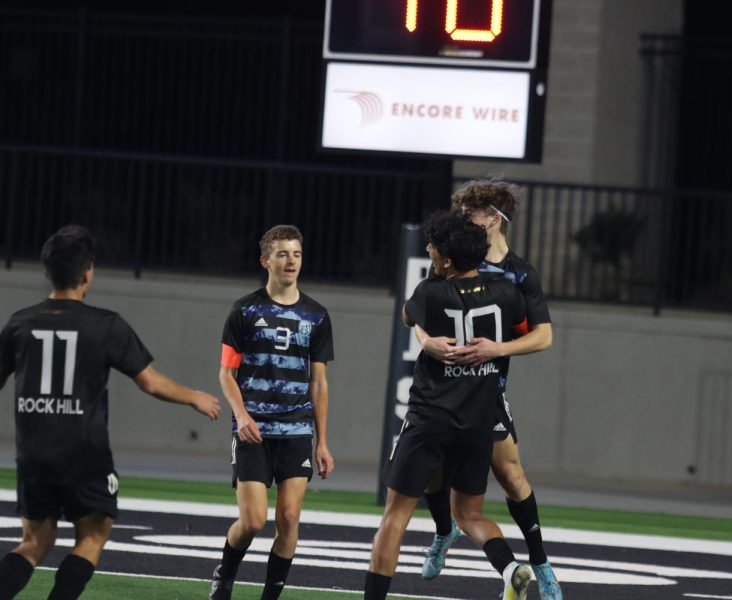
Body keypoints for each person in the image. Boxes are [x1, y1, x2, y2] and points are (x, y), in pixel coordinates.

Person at [0, 225, 221, 600]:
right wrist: (194, 396)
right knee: (92, 535)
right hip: (84, 454)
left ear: (46, 272)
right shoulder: (105, 325)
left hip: (33, 454)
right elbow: (149, 382)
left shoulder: (20, 323)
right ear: (88, 273)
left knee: (34, 542)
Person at [365, 211, 533, 600]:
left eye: (434, 248)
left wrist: (425, 338)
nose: (428, 250)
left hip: (429, 419)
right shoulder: (507, 293)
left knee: (394, 519)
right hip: (477, 424)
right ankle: (510, 567)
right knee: (470, 514)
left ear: (446, 260)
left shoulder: (429, 293)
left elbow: (409, 315)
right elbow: (525, 328)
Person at [416, 180, 563, 599]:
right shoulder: (450, 259)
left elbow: (544, 337)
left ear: (494, 220)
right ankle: (444, 532)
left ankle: (541, 565)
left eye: (471, 215)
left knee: (512, 477)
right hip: (440, 391)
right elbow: (423, 309)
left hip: (486, 394)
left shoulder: (519, 274)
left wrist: (498, 348)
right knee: (430, 471)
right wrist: (427, 341)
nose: (463, 221)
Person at [208, 224, 334, 600]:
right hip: (253, 431)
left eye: (296, 253)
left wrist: (322, 442)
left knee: (289, 519)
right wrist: (242, 417)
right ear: (265, 261)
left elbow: (319, 384)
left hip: (297, 429)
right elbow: (226, 374)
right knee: (252, 521)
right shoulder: (244, 310)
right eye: (282, 254)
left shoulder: (317, 315)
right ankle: (225, 575)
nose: (290, 261)